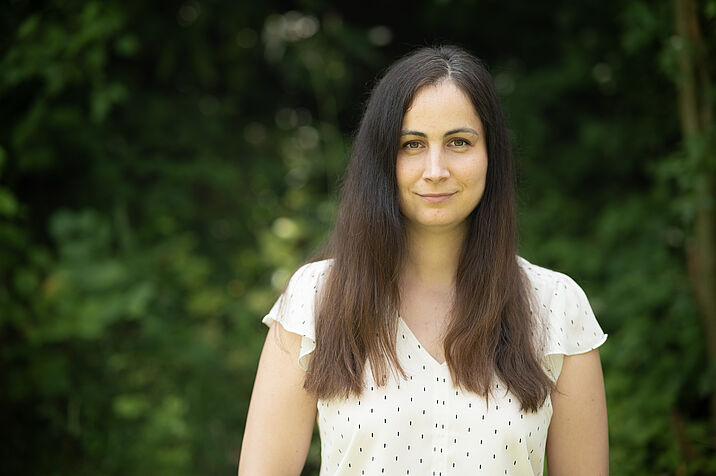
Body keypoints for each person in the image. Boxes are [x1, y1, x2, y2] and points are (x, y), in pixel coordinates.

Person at [238, 45, 608, 476]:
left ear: (491, 155)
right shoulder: (315, 299)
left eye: (459, 142)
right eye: (412, 144)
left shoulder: (557, 305)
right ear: (382, 160)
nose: (436, 168)